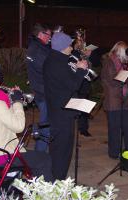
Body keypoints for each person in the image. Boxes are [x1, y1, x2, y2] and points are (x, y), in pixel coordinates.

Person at [0, 68, 54, 182]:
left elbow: (3, 117)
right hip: (2, 156)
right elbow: (19, 126)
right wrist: (17, 102)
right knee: (44, 159)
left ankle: (36, 186)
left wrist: (13, 101)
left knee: (35, 159)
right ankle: (47, 192)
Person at [43, 32, 88, 180]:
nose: (71, 47)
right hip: (63, 112)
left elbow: (63, 81)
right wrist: (81, 70)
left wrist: (74, 68)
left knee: (57, 146)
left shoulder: (53, 59)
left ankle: (55, 175)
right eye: (69, 45)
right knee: (63, 148)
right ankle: (58, 179)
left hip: (57, 109)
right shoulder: (59, 63)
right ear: (63, 47)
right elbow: (73, 85)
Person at [101, 41, 128, 159]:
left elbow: (126, 81)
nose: (127, 54)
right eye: (125, 51)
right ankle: (114, 152)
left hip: (125, 99)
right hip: (113, 101)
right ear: (119, 50)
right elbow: (113, 81)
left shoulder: (123, 62)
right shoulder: (108, 62)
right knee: (114, 128)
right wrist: (127, 72)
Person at [26, 23, 52, 152]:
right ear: (41, 34)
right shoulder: (38, 50)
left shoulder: (36, 47)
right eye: (49, 35)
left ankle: (41, 150)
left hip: (40, 89)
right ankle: (40, 153)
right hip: (43, 91)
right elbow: (48, 69)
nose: (50, 38)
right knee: (46, 124)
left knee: (46, 122)